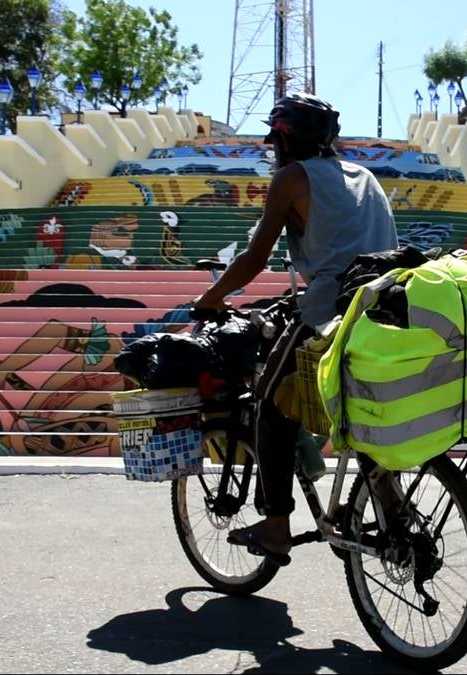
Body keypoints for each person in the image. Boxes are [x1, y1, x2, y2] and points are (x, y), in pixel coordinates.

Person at [193, 93, 399, 565]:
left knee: (268, 404)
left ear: (284, 139)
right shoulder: (365, 176)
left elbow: (255, 257)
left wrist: (211, 298)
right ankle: (394, 509)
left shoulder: (292, 178)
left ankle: (275, 527)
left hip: (332, 313)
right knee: (360, 419)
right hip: (384, 309)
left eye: (275, 140)